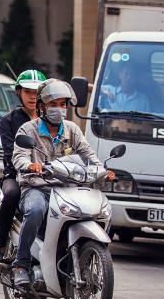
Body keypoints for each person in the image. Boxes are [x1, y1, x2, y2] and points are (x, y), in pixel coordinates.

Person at [11, 79, 114, 286]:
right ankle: (21, 265)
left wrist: (103, 170)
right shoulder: (27, 130)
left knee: (94, 210)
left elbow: (88, 154)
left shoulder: (72, 130)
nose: (59, 109)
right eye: (53, 105)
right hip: (36, 188)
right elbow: (18, 157)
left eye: (63, 105)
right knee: (36, 210)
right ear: (41, 107)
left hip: (67, 189)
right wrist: (31, 165)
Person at [0, 69, 46, 263]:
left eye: (36, 92)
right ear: (19, 92)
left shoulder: (52, 120)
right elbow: (10, 152)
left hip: (49, 176)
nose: (32, 97)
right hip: (16, 175)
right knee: (11, 194)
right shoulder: (9, 120)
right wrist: (28, 165)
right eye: (28, 91)